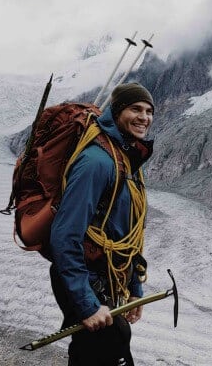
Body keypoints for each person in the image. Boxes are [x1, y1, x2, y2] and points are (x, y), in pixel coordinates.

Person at [49, 82, 155, 366]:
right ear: (117, 110)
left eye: (148, 110)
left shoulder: (126, 159)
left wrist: (135, 287)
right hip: (85, 277)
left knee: (98, 353)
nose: (144, 117)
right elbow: (64, 234)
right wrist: (85, 304)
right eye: (135, 108)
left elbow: (123, 232)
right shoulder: (97, 161)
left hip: (106, 277)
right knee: (110, 349)